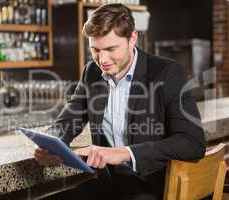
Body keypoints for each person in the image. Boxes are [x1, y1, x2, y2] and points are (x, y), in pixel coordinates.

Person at [34, 3, 206, 200]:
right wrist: (52, 142)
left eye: (110, 48)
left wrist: (125, 153)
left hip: (151, 188)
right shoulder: (91, 72)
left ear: (132, 38)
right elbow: (69, 118)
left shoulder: (167, 73)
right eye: (95, 50)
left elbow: (192, 143)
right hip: (107, 185)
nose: (102, 59)